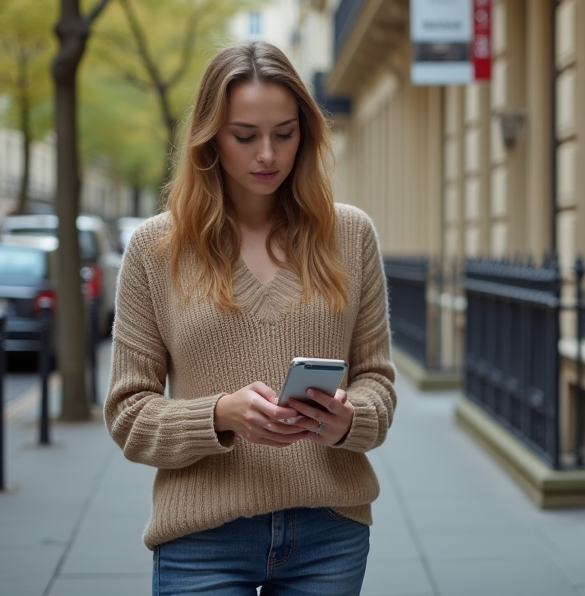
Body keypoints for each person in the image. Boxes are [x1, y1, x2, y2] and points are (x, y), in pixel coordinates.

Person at [104, 41, 395, 596]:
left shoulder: (350, 235)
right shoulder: (155, 249)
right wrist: (219, 415)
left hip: (329, 531)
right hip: (201, 539)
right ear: (210, 137)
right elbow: (128, 414)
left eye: (284, 133)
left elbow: (377, 381)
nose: (268, 153)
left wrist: (347, 419)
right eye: (245, 136)